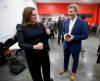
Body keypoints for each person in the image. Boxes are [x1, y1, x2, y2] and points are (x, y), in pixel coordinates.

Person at [16, 6, 51, 81]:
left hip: (43, 53)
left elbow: (44, 37)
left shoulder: (40, 25)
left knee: (46, 71)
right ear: (27, 15)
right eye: (33, 15)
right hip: (32, 55)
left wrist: (48, 34)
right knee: (36, 74)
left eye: (36, 14)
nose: (36, 16)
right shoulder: (21, 27)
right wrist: (34, 47)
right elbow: (21, 43)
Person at [59, 4, 88, 80]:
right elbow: (63, 31)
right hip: (66, 44)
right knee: (65, 57)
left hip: (75, 45)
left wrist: (74, 37)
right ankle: (65, 68)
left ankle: (73, 73)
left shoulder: (82, 22)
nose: (69, 13)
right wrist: (64, 35)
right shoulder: (66, 21)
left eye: (71, 11)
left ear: (76, 11)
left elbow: (85, 35)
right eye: (68, 11)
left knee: (75, 59)